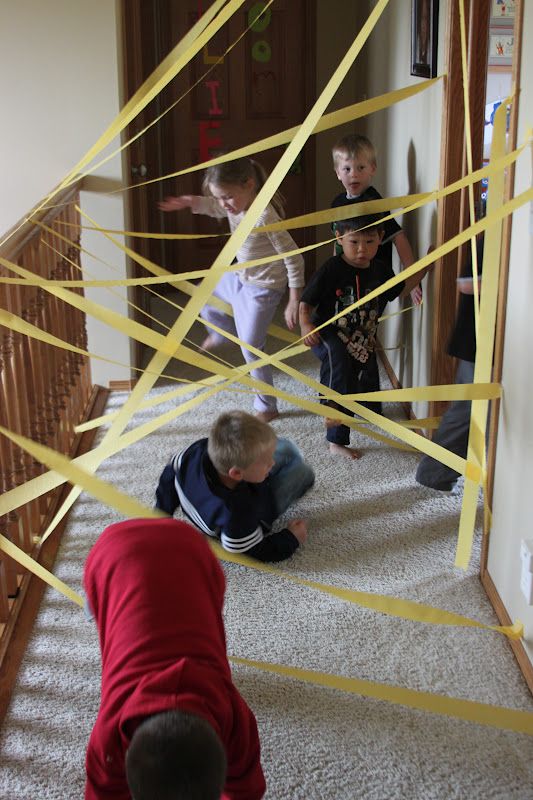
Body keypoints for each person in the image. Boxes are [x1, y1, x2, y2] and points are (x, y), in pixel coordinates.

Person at [83, 517, 266, 800]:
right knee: (106, 608)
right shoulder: (109, 739)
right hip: (120, 553)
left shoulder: (237, 724)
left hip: (187, 548)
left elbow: (246, 790)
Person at [159, 157, 305, 423]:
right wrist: (189, 202)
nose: (224, 204)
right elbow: (213, 207)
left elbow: (294, 258)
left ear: (249, 185)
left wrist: (295, 299)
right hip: (240, 277)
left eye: (227, 197)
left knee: (251, 346)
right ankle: (219, 333)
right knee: (204, 292)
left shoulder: (265, 216)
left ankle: (267, 405)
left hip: (264, 287)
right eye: (219, 197)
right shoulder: (232, 204)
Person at [299, 216, 420, 460]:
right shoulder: (332, 268)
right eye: (354, 241)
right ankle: (336, 438)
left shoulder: (381, 270)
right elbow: (306, 301)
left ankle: (341, 403)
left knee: (354, 376)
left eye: (369, 241)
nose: (362, 249)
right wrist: (305, 325)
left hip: (361, 338)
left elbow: (403, 289)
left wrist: (427, 265)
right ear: (340, 239)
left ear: (380, 239)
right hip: (328, 332)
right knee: (339, 369)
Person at [155, 410, 314, 562]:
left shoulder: (198, 449)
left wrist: (161, 514)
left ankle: (264, 459)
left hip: (235, 487)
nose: (272, 463)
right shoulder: (237, 515)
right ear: (237, 474)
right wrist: (291, 538)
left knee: (285, 447)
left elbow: (170, 474)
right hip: (260, 506)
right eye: (267, 463)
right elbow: (253, 551)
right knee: (303, 473)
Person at [416, 234, 485, 492]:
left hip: (491, 340)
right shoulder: (492, 233)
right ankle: (434, 474)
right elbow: (465, 283)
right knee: (465, 411)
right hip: (475, 340)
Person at [331, 133, 424, 305]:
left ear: (372, 169)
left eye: (361, 168)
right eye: (347, 169)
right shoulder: (338, 204)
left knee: (368, 322)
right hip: (349, 278)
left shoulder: (374, 203)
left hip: (374, 279)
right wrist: (334, 271)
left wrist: (412, 279)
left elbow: (398, 237)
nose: (354, 175)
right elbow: (338, 242)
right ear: (338, 172)